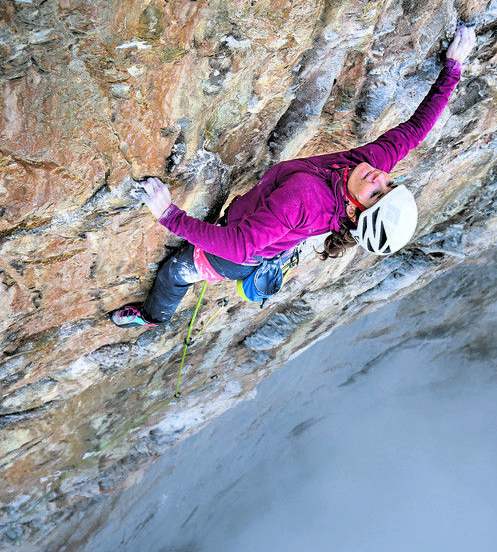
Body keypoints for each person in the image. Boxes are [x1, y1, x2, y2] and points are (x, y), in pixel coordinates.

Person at [111, 25, 476, 328]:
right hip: (268, 236)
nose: (380, 178)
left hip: (237, 255)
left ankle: (151, 317)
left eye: (376, 193)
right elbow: (415, 131)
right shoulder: (367, 167)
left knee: (174, 273)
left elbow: (237, 245)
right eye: (389, 184)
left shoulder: (305, 197)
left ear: (353, 212)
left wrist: (168, 214)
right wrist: (453, 69)